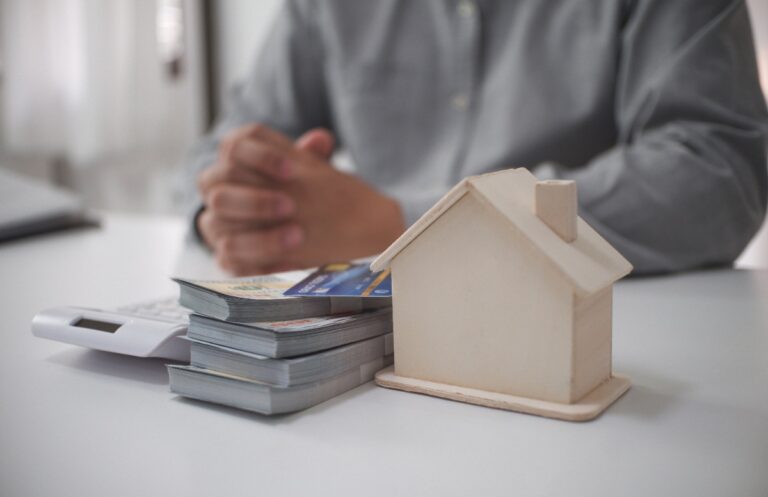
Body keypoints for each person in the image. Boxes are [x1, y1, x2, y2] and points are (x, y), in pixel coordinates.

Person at [182, 0, 768, 276]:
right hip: (367, 332)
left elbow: (719, 170)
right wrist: (242, 207)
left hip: (596, 333)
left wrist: (404, 224)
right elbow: (220, 151)